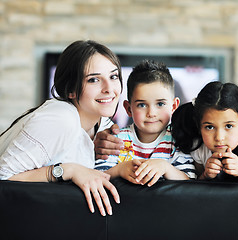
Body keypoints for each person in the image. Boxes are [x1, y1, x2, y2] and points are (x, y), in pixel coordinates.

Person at [0, 40, 122, 217]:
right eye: (94, 80)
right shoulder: (61, 118)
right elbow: (3, 176)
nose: (109, 89)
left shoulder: (101, 122)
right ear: (70, 90)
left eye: (113, 76)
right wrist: (68, 170)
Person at [95, 59, 196, 187]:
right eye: (142, 105)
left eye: (160, 104)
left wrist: (166, 168)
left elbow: (190, 182)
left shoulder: (178, 140)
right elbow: (97, 176)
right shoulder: (116, 140)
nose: (151, 113)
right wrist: (120, 169)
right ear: (128, 108)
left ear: (174, 106)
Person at [170, 81, 238, 182]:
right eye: (209, 127)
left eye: (229, 126)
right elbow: (195, 182)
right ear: (198, 125)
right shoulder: (199, 147)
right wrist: (206, 175)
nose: (219, 137)